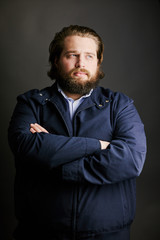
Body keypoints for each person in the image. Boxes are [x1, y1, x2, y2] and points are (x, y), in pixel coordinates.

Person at [8, 25, 147, 240]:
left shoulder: (120, 105)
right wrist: (98, 145)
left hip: (107, 233)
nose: (81, 64)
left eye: (89, 56)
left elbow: (131, 160)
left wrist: (53, 156)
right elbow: (25, 148)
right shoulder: (31, 103)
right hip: (39, 232)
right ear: (56, 60)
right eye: (72, 55)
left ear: (98, 61)